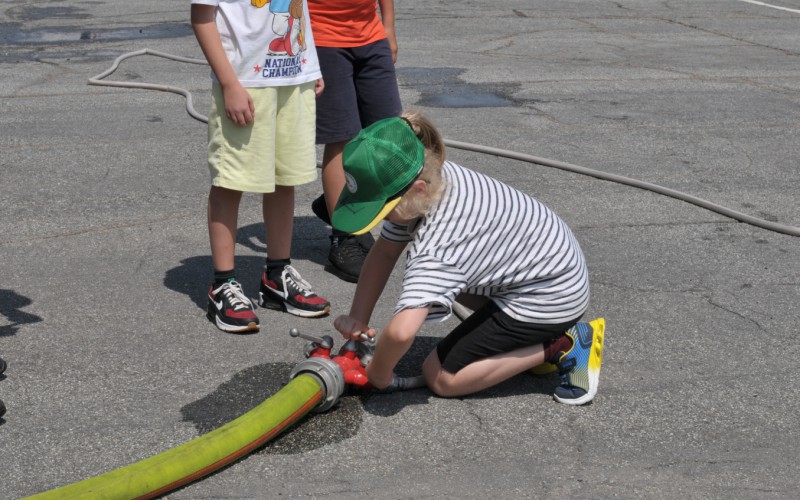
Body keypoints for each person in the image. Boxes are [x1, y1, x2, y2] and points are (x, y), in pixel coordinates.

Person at [331, 112, 605, 404]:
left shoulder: (439, 246)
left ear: (417, 190)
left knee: (440, 377)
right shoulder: (429, 177)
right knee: (450, 292)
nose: (378, 219)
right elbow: (385, 252)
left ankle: (563, 343)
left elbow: (401, 333)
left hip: (552, 297)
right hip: (548, 270)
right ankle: (530, 338)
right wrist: (358, 319)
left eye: (382, 211)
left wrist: (379, 373)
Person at [191, 0, 331, 334]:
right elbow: (202, 18)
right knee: (231, 179)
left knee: (285, 177)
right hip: (245, 84)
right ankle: (223, 284)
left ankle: (277, 276)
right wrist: (229, 84)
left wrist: (310, 65)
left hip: (293, 76)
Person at [306, 0, 403, 282]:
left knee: (386, 133)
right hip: (323, 38)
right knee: (341, 137)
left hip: (371, 35)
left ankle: (340, 203)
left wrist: (388, 27)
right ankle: (344, 237)